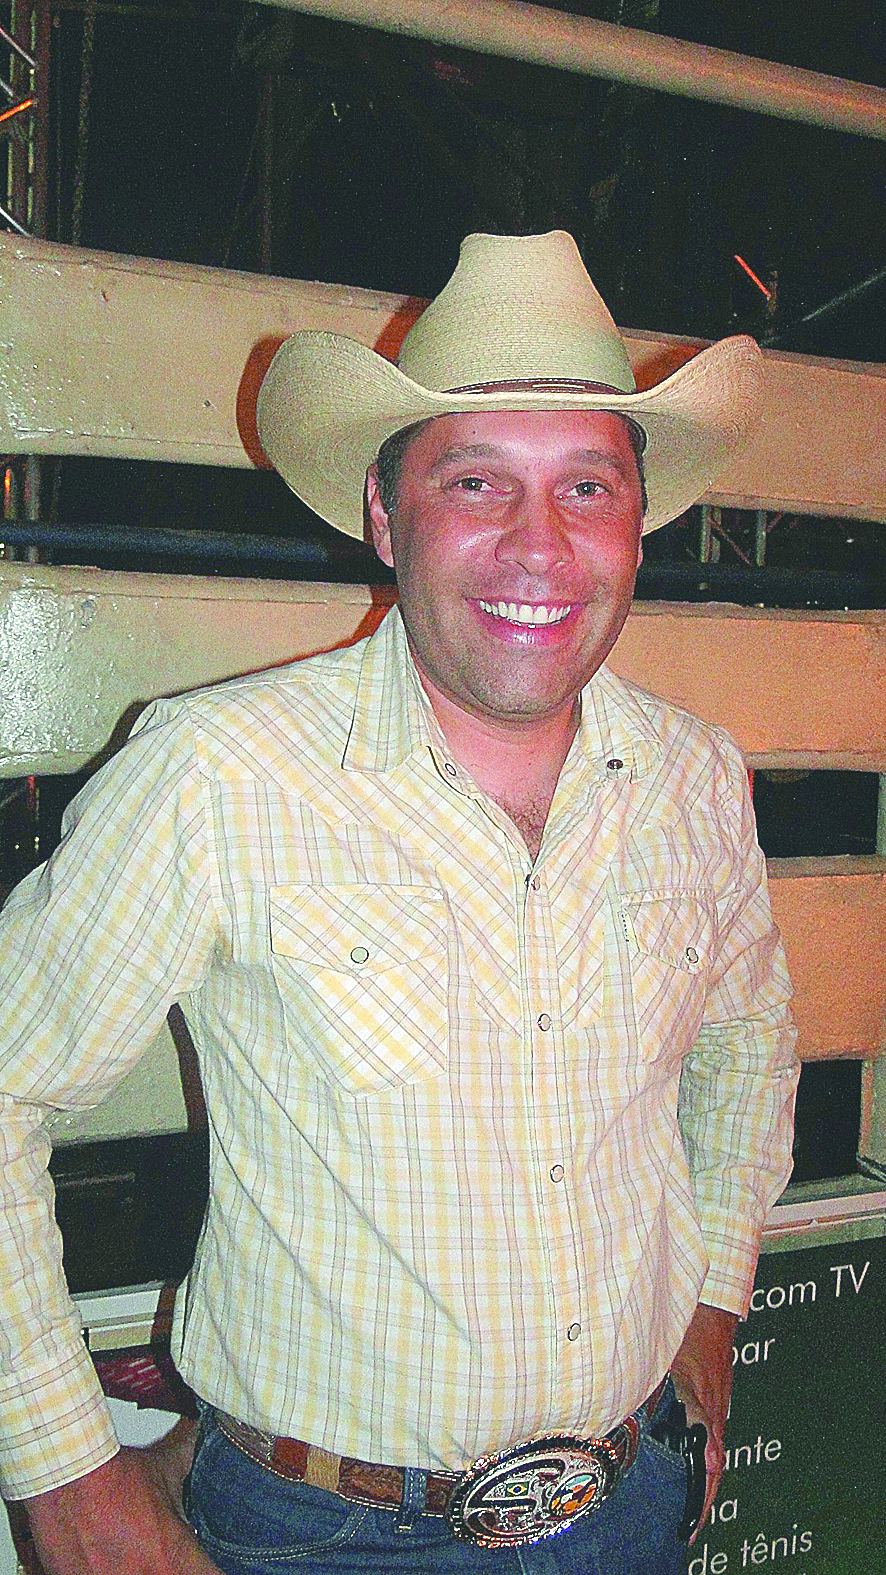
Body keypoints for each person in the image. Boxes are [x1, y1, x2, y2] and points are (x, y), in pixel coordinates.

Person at [0, 231, 798, 1575]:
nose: (537, 544)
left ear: (636, 523)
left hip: (629, 1501)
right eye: (475, 480)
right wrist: (68, 1480)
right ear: (385, 517)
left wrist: (712, 1303)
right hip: (323, 1532)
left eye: (586, 486)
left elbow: (749, 1043)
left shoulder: (696, 776)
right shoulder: (219, 776)